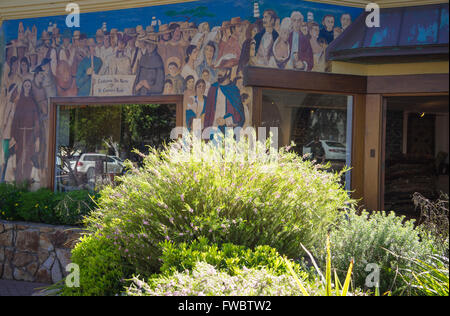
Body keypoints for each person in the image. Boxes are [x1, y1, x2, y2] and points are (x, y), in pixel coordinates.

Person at [10, 79, 40, 184]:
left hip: (30, 134)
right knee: (19, 157)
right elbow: (15, 119)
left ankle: (26, 180)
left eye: (29, 86)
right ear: (23, 87)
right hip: (19, 134)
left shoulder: (32, 102)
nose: (27, 87)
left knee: (28, 157)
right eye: (25, 85)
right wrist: (13, 136)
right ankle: (18, 181)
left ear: (31, 88)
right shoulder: (20, 102)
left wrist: (37, 137)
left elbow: (36, 120)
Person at [204, 67, 245, 134]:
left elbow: (240, 116)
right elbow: (208, 113)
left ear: (228, 72)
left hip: (228, 132)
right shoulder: (213, 88)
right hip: (212, 131)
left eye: (222, 70)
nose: (219, 73)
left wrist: (225, 121)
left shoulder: (234, 90)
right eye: (219, 70)